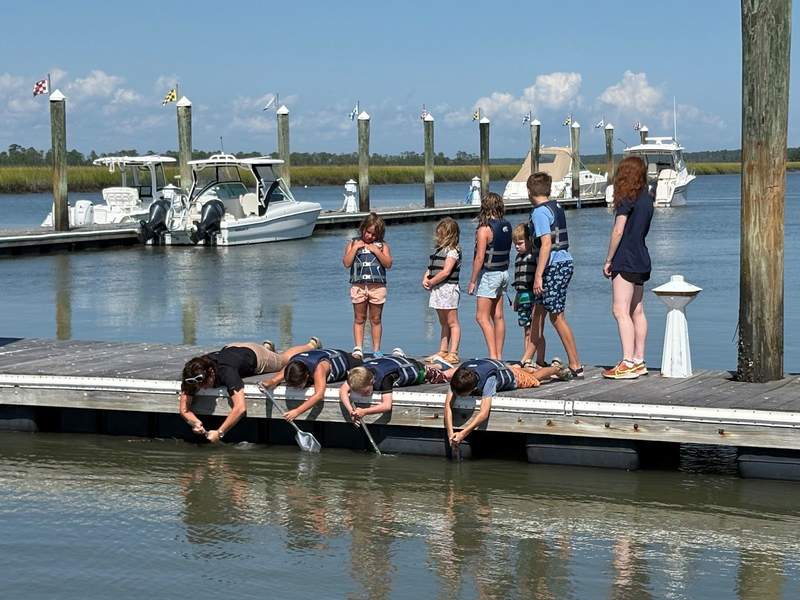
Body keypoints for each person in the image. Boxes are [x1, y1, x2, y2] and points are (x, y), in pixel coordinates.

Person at [179, 337, 320, 442]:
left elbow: (240, 408)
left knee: (284, 360)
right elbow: (184, 410)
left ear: (211, 372)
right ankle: (267, 347)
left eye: (204, 383)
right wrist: (194, 422)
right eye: (198, 385)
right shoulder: (192, 374)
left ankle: (311, 345)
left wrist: (220, 432)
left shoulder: (226, 371)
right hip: (231, 349)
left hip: (255, 356)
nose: (201, 387)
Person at [602, 156, 655, 379]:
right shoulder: (647, 198)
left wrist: (608, 259)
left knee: (620, 310)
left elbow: (618, 231)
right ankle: (639, 359)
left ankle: (627, 361)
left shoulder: (627, 199)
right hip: (642, 258)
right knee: (637, 310)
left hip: (625, 258)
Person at [527, 172, 583, 378]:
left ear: (530, 191)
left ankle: (576, 363)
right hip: (563, 261)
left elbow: (546, 244)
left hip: (555, 266)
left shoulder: (540, 213)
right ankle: (529, 357)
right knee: (539, 310)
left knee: (556, 316)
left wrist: (539, 275)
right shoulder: (555, 207)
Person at [444, 358, 570, 448]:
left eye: (461, 394)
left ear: (472, 388)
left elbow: (484, 413)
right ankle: (525, 367)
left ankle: (556, 369)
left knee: (535, 378)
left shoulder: (488, 379)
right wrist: (451, 434)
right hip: (492, 363)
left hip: (511, 376)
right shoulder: (458, 378)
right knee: (524, 371)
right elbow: (448, 406)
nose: (457, 395)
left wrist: (463, 433)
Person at [339, 348, 449, 422]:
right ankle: (437, 365)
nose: (363, 396)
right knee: (432, 367)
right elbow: (343, 390)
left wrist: (364, 411)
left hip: (416, 369)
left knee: (443, 377)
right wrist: (351, 411)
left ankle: (452, 369)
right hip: (393, 362)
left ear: (372, 381)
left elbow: (387, 406)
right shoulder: (357, 375)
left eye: (366, 392)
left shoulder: (385, 379)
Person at [258, 348, 362, 421]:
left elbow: (319, 395)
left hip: (343, 359)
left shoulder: (319, 369)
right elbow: (274, 380)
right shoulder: (292, 365)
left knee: (360, 364)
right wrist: (267, 384)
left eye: (298, 385)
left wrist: (297, 412)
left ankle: (355, 356)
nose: (296, 388)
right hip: (318, 354)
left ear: (307, 376)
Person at [467, 192, 511, 360]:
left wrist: (472, 281)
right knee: (498, 315)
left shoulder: (484, 229)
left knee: (481, 317)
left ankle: (492, 355)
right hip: (503, 273)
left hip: (489, 275)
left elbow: (479, 258)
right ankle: (498, 355)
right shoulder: (506, 225)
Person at [342, 212, 393, 360]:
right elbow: (346, 263)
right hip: (358, 286)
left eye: (374, 234)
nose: (370, 236)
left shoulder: (382, 246)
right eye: (368, 232)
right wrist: (354, 248)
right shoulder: (353, 244)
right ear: (363, 229)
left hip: (377, 287)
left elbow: (388, 264)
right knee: (359, 318)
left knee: (376, 319)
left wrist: (376, 251)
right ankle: (358, 347)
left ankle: (376, 349)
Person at [422, 217, 462, 365]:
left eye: (441, 235)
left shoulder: (452, 252)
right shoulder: (439, 251)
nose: (438, 237)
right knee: (443, 322)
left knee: (452, 322)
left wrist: (432, 281)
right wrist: (426, 278)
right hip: (438, 289)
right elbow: (431, 268)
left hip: (448, 289)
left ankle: (453, 352)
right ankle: (443, 350)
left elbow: (446, 272)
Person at [510, 222, 544, 367]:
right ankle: (527, 360)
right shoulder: (518, 258)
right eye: (515, 244)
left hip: (533, 297)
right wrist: (517, 298)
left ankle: (540, 360)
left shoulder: (534, 256)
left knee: (537, 330)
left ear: (529, 240)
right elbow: (519, 281)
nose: (517, 246)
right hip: (522, 297)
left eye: (520, 243)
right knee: (526, 330)